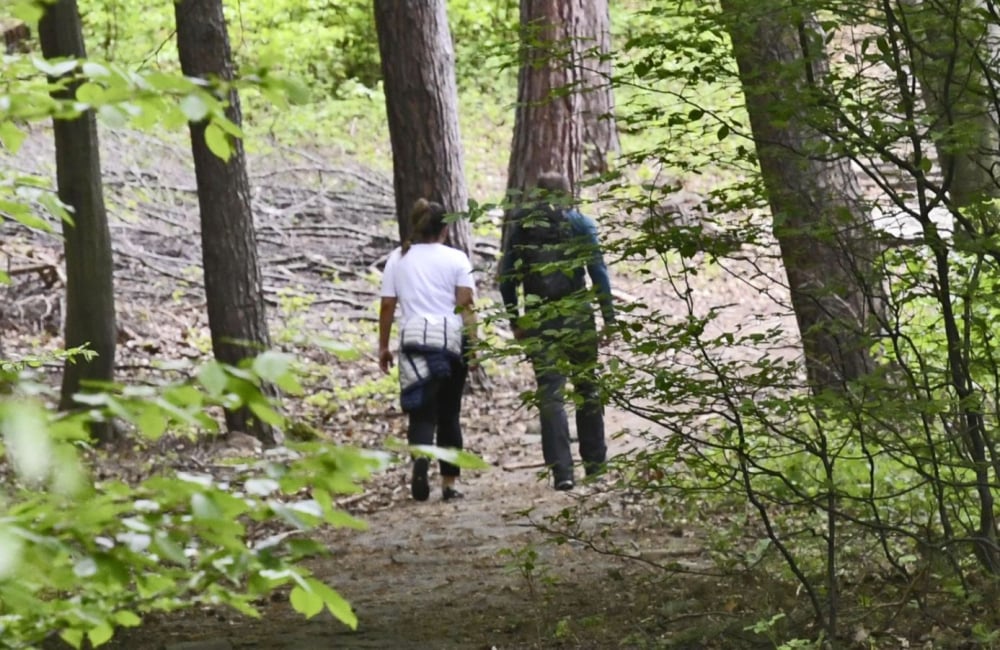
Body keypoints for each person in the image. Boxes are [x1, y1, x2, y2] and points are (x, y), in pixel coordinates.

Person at [499, 171, 615, 491]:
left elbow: (507, 278)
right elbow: (598, 273)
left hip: (539, 318)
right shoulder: (580, 224)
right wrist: (610, 318)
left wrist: (515, 319)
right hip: (577, 315)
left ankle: (562, 472)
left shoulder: (521, 227)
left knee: (550, 394)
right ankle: (595, 465)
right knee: (587, 387)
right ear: (568, 194)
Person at [378, 198, 478, 502]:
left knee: (420, 412)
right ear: (445, 229)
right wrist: (472, 347)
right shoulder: (457, 259)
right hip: (450, 341)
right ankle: (449, 485)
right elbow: (466, 305)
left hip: (413, 339)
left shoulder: (398, 258)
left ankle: (420, 461)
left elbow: (387, 306)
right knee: (449, 413)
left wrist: (383, 346)